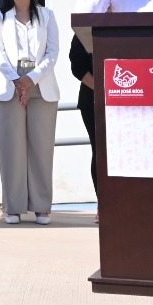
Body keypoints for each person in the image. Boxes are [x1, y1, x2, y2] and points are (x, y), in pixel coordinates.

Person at [0, 0, 61, 225]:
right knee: (12, 149)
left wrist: (31, 79)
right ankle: (13, 208)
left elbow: (52, 52)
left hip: (41, 84)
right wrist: (17, 80)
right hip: (9, 85)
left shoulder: (47, 15)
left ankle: (42, 207)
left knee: (42, 147)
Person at [68, 34, 99, 219]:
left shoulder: (131, 22)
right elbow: (77, 65)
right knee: (101, 151)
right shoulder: (86, 27)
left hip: (131, 98)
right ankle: (104, 205)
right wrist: (103, 89)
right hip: (93, 101)